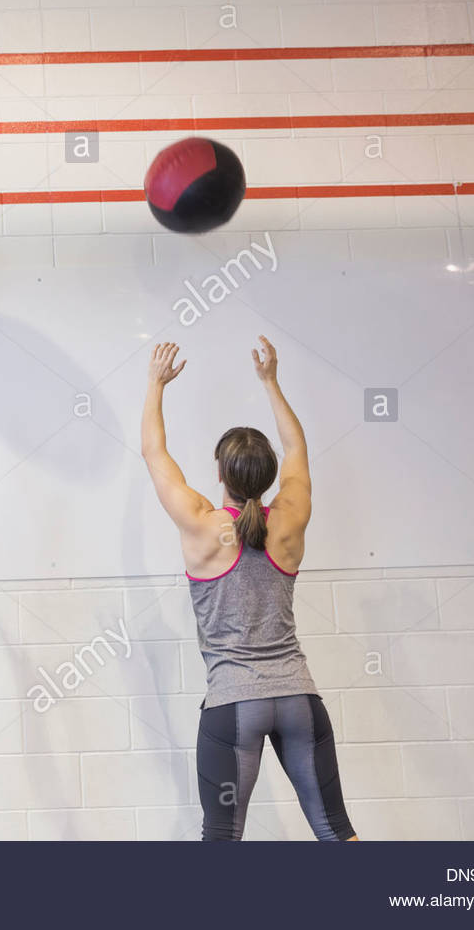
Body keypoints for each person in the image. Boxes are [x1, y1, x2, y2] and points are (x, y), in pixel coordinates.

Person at [140, 336, 357, 842]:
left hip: (235, 703)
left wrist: (155, 384)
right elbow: (299, 448)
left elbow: (154, 452)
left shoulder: (201, 525)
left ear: (219, 473)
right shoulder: (290, 520)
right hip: (300, 697)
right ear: (268, 477)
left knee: (222, 838)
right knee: (336, 831)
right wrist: (271, 382)